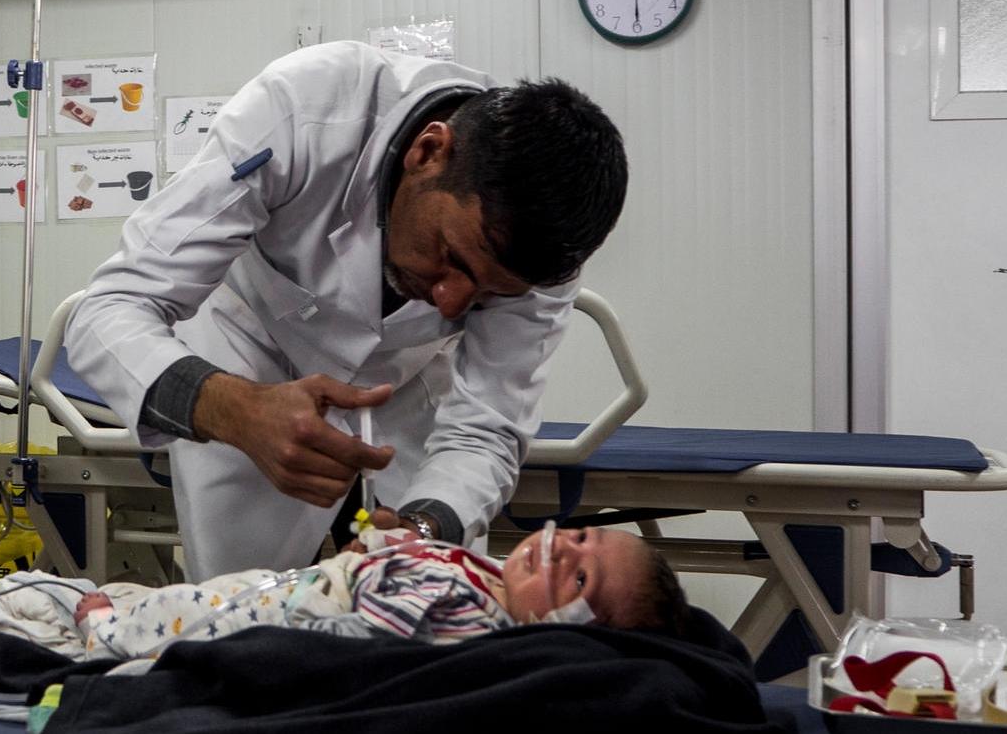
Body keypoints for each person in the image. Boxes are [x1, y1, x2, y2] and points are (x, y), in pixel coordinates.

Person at [65, 41, 629, 580]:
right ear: (427, 153)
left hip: (405, 380)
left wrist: (422, 527)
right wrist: (232, 409)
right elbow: (108, 312)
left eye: (487, 295)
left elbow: (488, 427)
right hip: (252, 352)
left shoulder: (542, 256)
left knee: (430, 596)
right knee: (243, 607)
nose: (452, 303)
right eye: (450, 257)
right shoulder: (303, 110)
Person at [71, 524, 690, 660]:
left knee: (187, 617)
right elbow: (421, 554)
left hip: (286, 612)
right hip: (303, 581)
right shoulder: (493, 576)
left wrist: (268, 645)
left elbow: (364, 637)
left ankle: (104, 632)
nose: (560, 549)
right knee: (200, 594)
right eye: (580, 535)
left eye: (580, 579)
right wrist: (377, 546)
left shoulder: (465, 612)